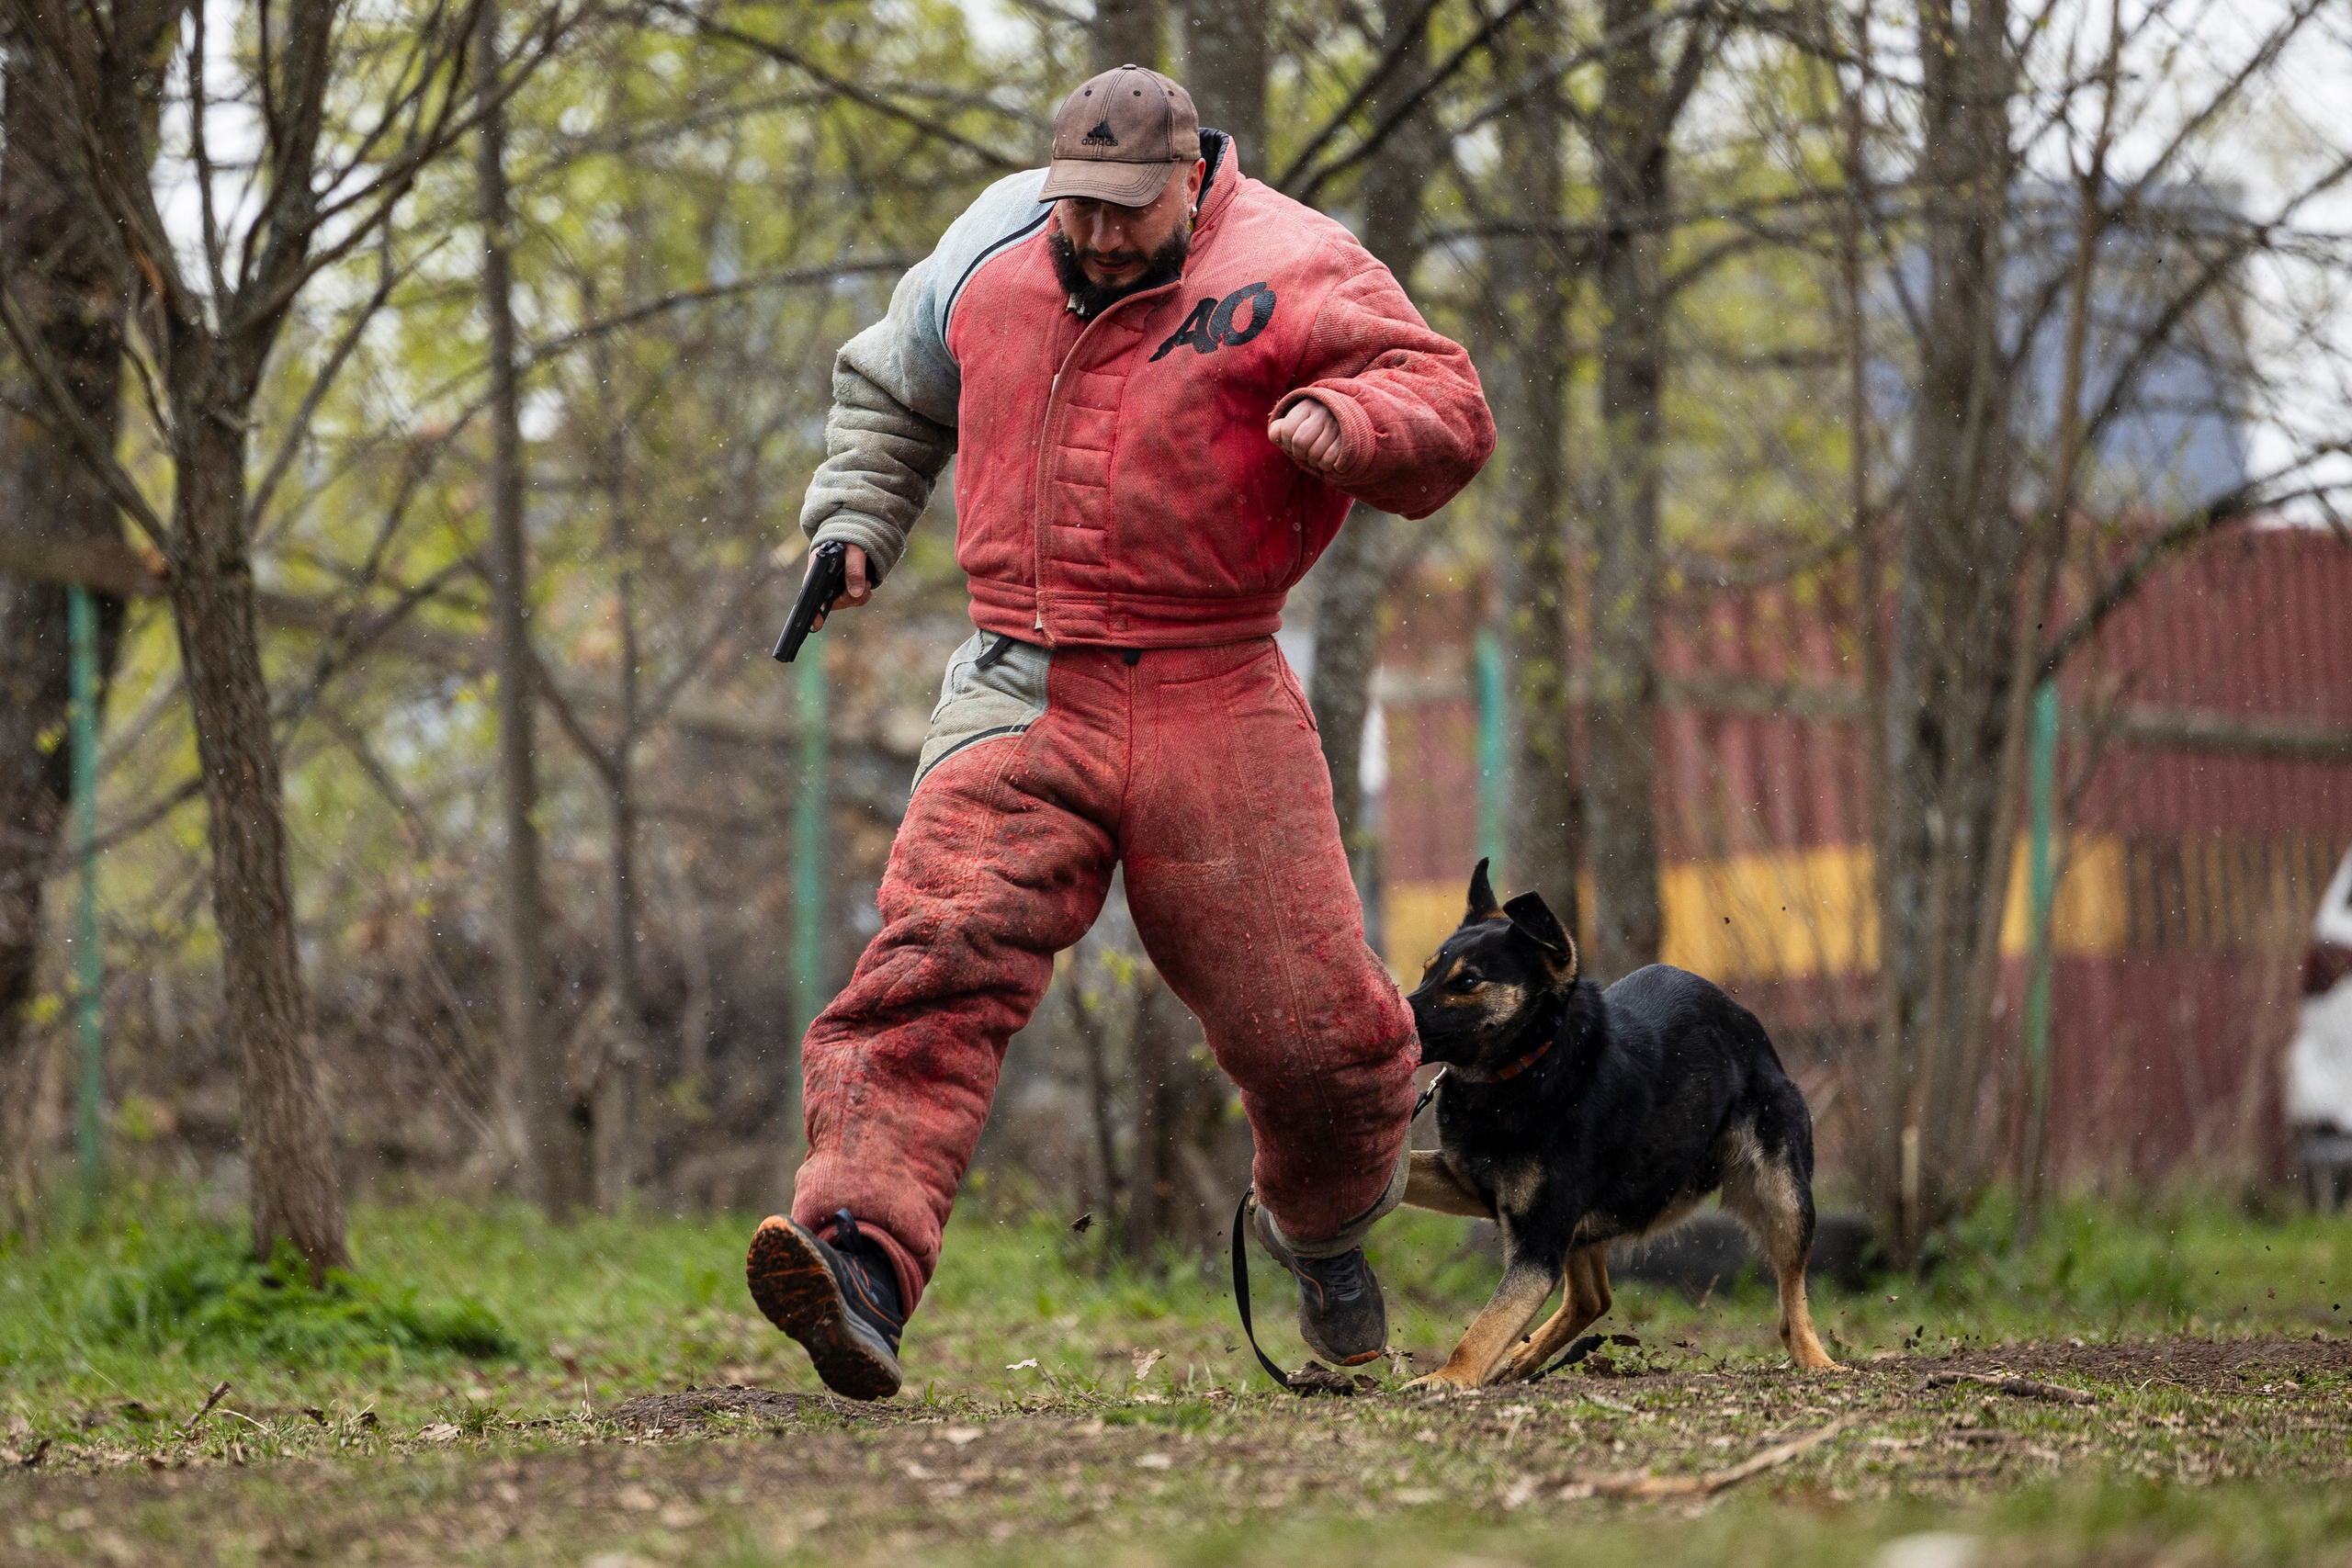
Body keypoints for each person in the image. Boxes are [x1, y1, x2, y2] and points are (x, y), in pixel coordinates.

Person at [746, 64, 1495, 1400]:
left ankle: (1325, 1235)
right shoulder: (989, 245)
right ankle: (855, 1261)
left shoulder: (1300, 262)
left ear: (1194, 182)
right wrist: (856, 520)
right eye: (1077, 208)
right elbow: (892, 389)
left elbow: (1445, 404)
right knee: (938, 957)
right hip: (1020, 677)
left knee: (1317, 1041)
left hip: (1217, 681)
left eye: (1127, 213)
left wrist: (1351, 422)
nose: (1095, 236)